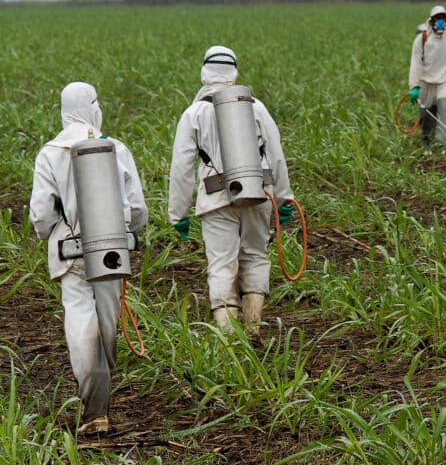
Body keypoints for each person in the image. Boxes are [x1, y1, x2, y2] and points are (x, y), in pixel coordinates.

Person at [29, 82, 148, 435]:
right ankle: (102, 393)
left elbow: (41, 214)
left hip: (70, 253)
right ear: (94, 107)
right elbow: (137, 207)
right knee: (107, 325)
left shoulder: (49, 153)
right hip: (112, 248)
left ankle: (95, 409)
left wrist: (49, 233)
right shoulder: (117, 148)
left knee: (81, 323)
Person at [168, 46, 294, 333]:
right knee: (255, 256)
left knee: (222, 264)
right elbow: (276, 156)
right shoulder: (256, 106)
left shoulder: (194, 113)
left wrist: (178, 213)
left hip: (216, 199)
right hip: (259, 193)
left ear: (204, 72)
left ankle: (228, 341)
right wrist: (285, 198)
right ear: (234, 71)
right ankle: (252, 329)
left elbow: (181, 169)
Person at [408, 5, 446, 149]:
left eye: (443, 18)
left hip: (444, 81)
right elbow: (415, 63)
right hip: (426, 82)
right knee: (427, 115)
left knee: (445, 107)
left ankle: (442, 143)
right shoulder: (422, 39)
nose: (440, 21)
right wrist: (414, 86)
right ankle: (427, 143)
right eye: (437, 18)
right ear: (432, 21)